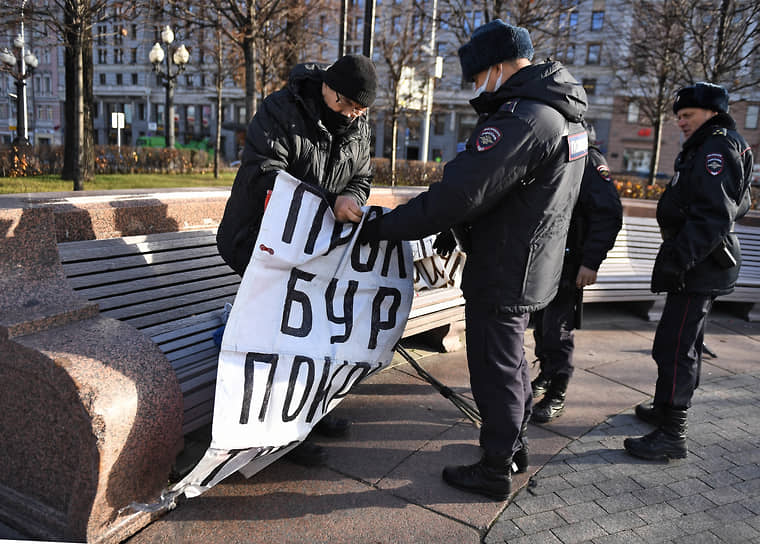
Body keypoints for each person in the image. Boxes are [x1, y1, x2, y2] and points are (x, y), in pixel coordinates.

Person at [359, 19, 588, 499]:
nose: (476, 87)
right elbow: (511, 195)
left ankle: (494, 468)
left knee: (494, 367)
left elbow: (459, 193)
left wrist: (379, 227)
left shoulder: (525, 119)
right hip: (533, 262)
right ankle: (514, 444)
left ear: (498, 67)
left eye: (477, 76)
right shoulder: (564, 115)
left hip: (506, 268)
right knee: (512, 362)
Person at [216, 54, 378, 466]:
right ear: (327, 86)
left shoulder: (360, 124)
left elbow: (362, 175)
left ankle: (311, 411)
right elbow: (267, 174)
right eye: (344, 104)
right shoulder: (280, 110)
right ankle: (282, 432)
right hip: (262, 240)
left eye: (360, 109)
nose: (351, 114)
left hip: (316, 248)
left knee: (318, 334)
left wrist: (353, 198)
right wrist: (329, 203)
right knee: (278, 334)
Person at [624, 82, 753, 461]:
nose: (680, 121)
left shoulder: (716, 146)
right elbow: (737, 202)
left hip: (698, 266)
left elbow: (715, 214)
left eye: (688, 115)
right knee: (677, 342)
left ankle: (671, 433)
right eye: (678, 115)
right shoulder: (715, 142)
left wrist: (679, 260)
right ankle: (666, 409)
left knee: (678, 346)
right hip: (699, 262)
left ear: (711, 112)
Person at [530, 123, 622, 423]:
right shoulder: (561, 160)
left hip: (569, 266)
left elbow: (608, 214)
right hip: (548, 262)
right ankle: (546, 374)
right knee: (543, 326)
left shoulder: (589, 162)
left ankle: (557, 392)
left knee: (558, 330)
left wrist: (590, 262)